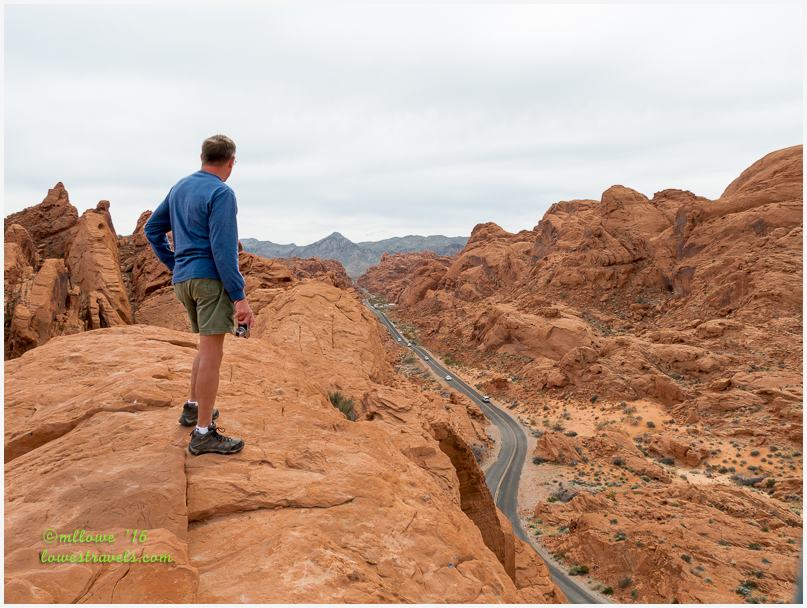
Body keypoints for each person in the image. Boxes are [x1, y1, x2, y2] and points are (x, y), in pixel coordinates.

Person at [145, 134, 255, 456]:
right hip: (208, 281)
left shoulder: (180, 187)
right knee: (212, 354)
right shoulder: (222, 193)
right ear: (231, 162)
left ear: (202, 157)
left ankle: (193, 407)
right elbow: (224, 251)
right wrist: (239, 297)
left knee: (205, 347)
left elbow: (152, 230)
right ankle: (204, 433)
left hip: (184, 282)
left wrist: (176, 263)